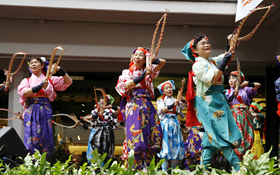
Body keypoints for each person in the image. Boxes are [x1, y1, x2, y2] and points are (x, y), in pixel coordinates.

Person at [181, 33, 241, 171]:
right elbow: (214, 77)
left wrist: (229, 42)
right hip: (209, 104)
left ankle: (202, 169)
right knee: (222, 135)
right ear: (195, 50)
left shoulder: (211, 61)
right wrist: (225, 59)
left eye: (207, 42)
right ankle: (240, 169)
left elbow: (227, 55)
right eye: (202, 43)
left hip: (218, 101)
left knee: (211, 137)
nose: (207, 44)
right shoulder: (197, 65)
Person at [115, 47, 166, 170]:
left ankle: (147, 167)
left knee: (149, 133)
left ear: (144, 59)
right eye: (135, 55)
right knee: (135, 134)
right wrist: (143, 75)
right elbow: (126, 85)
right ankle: (133, 166)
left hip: (146, 104)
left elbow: (163, 62)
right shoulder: (127, 72)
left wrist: (152, 60)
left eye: (140, 55)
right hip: (133, 104)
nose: (137, 57)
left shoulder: (148, 70)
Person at [17, 56, 72, 156]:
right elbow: (24, 93)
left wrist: (60, 69)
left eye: (35, 62)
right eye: (31, 63)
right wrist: (40, 86)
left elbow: (68, 81)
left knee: (46, 136)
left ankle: (44, 161)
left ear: (42, 65)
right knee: (32, 134)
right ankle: (32, 160)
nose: (33, 64)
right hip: (32, 109)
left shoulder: (50, 80)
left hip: (45, 110)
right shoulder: (27, 80)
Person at [225, 71, 261, 160]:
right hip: (233, 115)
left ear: (239, 79)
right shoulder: (227, 91)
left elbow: (258, 85)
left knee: (247, 136)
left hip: (245, 115)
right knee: (237, 136)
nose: (230, 81)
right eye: (229, 79)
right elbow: (223, 103)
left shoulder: (245, 89)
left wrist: (247, 83)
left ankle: (243, 159)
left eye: (233, 78)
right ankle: (236, 160)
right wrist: (232, 96)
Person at [78, 94, 121, 164]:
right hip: (98, 131)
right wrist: (80, 121)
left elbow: (121, 109)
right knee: (96, 150)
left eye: (105, 100)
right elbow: (89, 119)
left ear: (108, 102)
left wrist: (111, 106)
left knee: (107, 149)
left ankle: (104, 166)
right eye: (101, 99)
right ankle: (97, 167)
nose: (103, 101)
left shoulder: (110, 110)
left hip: (107, 131)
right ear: (99, 101)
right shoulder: (95, 111)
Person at [156, 80, 187, 172]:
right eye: (167, 88)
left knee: (176, 146)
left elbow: (184, 105)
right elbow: (163, 109)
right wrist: (173, 105)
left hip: (175, 124)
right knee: (166, 146)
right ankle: (164, 171)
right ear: (163, 91)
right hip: (166, 124)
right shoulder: (160, 100)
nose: (169, 89)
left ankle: (175, 170)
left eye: (170, 87)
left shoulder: (175, 99)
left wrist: (182, 100)